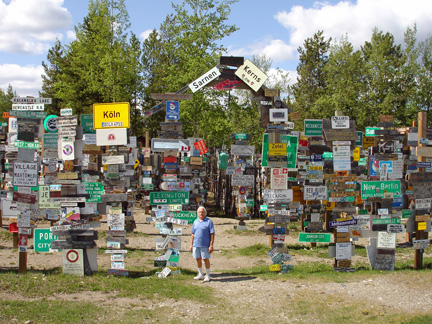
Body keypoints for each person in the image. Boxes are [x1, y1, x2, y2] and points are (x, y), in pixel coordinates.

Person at [189, 206, 215, 282]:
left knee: (205, 259)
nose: (201, 213)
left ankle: (207, 275)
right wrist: (191, 244)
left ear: (205, 213)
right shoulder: (195, 221)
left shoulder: (209, 221)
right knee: (198, 259)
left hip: (205, 245)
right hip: (196, 244)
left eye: (202, 212)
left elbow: (212, 234)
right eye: (200, 212)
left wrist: (211, 245)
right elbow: (192, 233)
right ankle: (200, 274)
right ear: (197, 213)